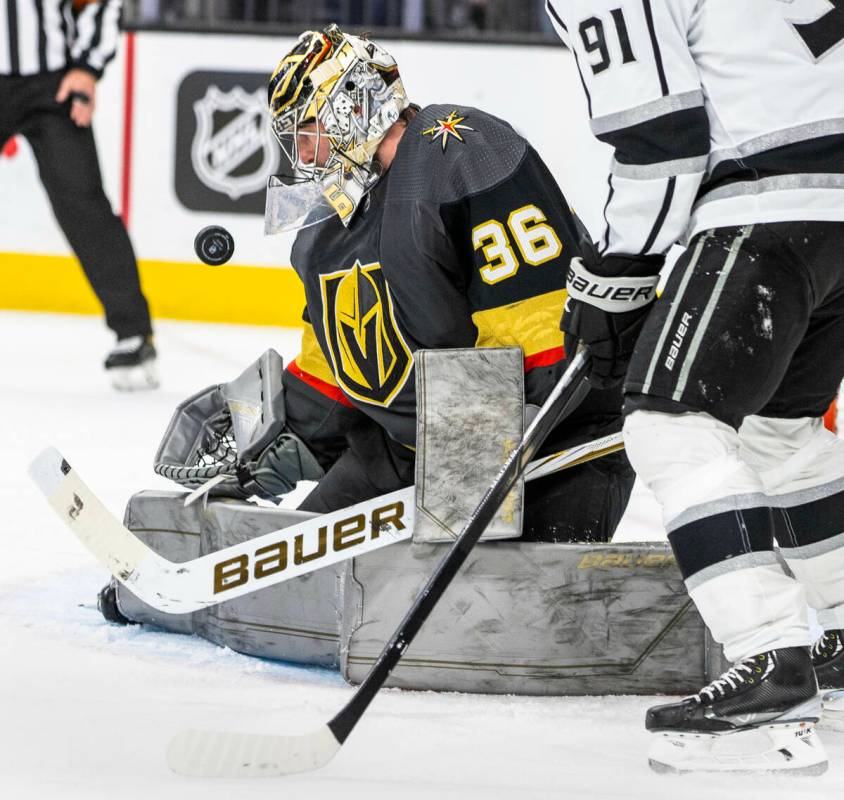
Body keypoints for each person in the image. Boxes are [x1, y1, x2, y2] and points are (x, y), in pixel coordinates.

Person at [546, 0, 844, 774]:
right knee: (776, 435)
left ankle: (773, 664)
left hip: (770, 202)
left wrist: (617, 273)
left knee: (670, 423)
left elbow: (661, 136)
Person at [263, 24, 633, 542]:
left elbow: (543, 325)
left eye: (308, 133)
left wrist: (482, 453)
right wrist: (278, 431)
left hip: (552, 445)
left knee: (502, 610)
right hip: (411, 451)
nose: (303, 156)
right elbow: (345, 355)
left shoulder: (459, 151)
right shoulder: (337, 219)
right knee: (294, 573)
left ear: (351, 109)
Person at [0, 0, 157, 390]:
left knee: (83, 204)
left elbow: (99, 3)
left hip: (52, 84)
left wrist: (87, 68)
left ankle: (134, 333)